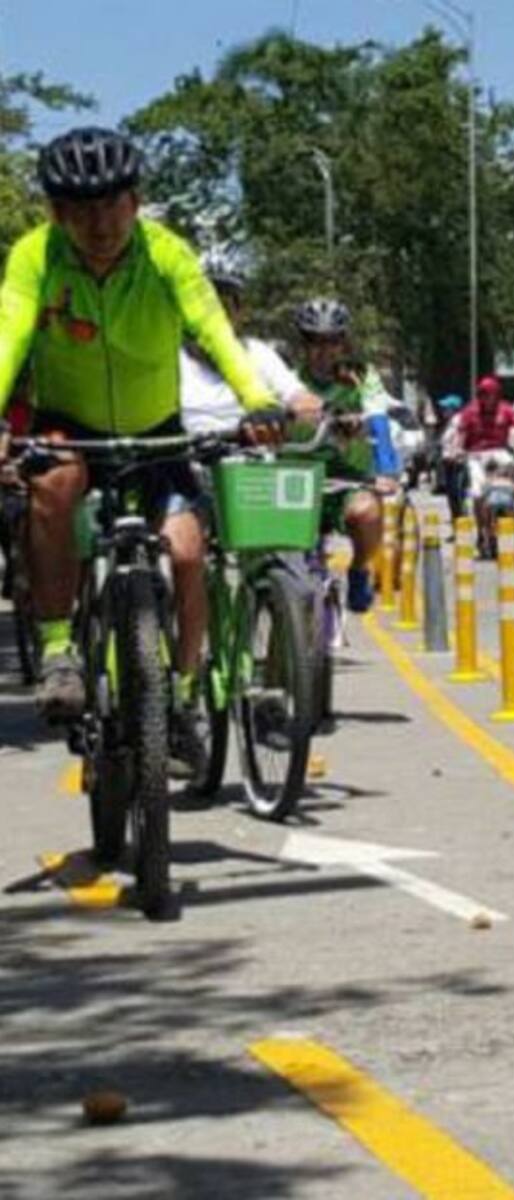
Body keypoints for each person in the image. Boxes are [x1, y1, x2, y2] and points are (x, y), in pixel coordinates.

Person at [0, 127, 279, 769]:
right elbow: (12, 333)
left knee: (184, 553)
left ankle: (179, 700)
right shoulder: (35, 257)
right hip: (68, 423)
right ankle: (57, 648)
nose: (101, 224)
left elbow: (214, 330)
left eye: (113, 204)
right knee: (53, 488)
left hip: (156, 431)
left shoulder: (168, 255)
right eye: (83, 209)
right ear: (58, 213)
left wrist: (256, 399)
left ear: (136, 200)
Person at [293, 297, 399, 614]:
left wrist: (386, 470)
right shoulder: (289, 381)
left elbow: (379, 421)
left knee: (366, 512)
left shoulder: (362, 378)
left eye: (332, 342)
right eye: (314, 341)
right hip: (298, 480)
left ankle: (359, 569)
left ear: (344, 343)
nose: (324, 351)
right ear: (303, 343)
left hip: (346, 479)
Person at [181, 251, 322, 433]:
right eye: (204, 307)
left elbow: (295, 394)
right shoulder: (171, 361)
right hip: (189, 458)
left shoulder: (257, 353)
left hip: (255, 457)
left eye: (224, 308)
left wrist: (307, 406)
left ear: (240, 314)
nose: (213, 318)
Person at [457, 376, 514, 546]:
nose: (489, 398)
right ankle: (481, 530)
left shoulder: (506, 410)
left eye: (492, 394)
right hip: (476, 455)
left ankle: (509, 507)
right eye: (485, 394)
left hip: (499, 452)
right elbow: (461, 435)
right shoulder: (470, 412)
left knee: (510, 467)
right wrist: (458, 450)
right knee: (478, 493)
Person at [436, 393, 467, 526]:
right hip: (449, 463)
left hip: (457, 464)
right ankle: (457, 526)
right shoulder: (449, 424)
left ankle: (462, 526)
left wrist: (457, 454)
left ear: (453, 409)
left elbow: (462, 441)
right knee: (452, 497)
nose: (443, 411)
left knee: (458, 496)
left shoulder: (459, 422)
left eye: (446, 408)